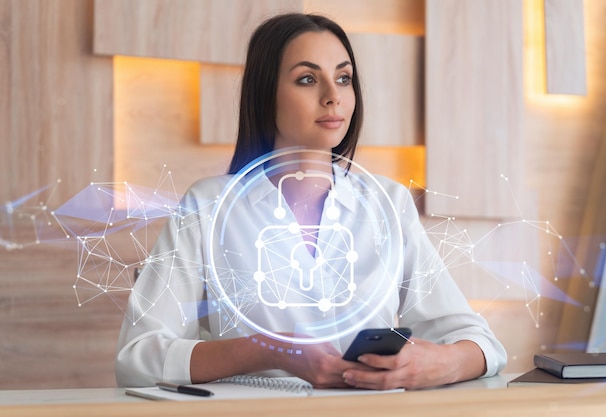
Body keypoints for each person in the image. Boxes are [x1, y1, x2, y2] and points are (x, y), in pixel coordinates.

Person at [116, 12, 507, 390]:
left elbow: (481, 345)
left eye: (343, 78)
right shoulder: (207, 206)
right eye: (307, 79)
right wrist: (274, 349)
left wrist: (436, 364)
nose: (332, 96)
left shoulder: (389, 203)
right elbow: (137, 358)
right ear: (265, 93)